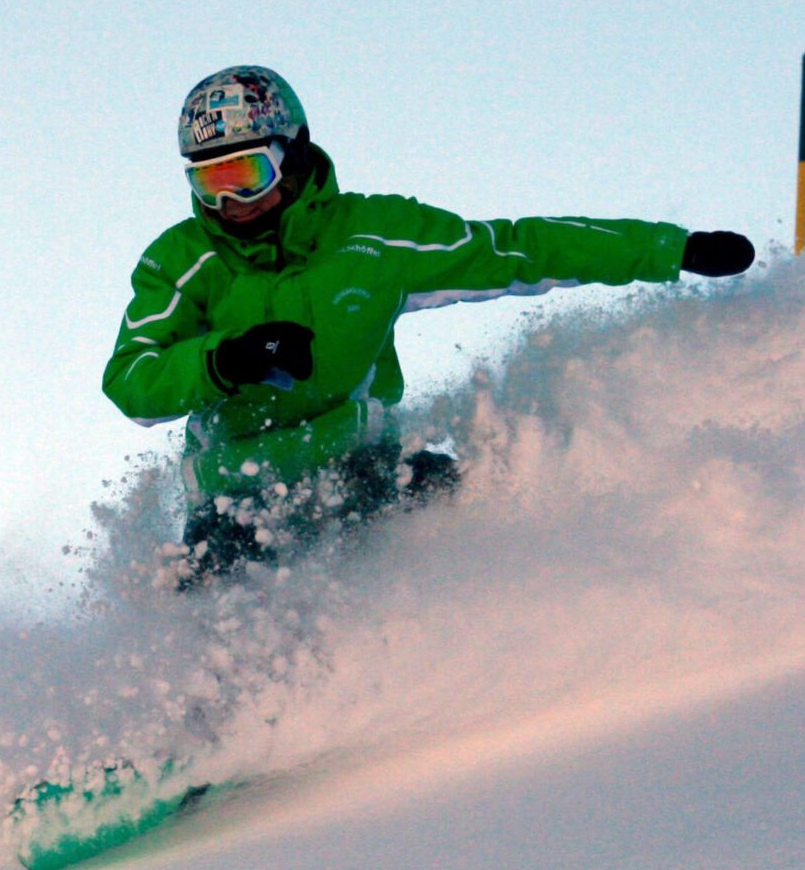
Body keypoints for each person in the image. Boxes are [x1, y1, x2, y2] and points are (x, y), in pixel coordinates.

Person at [104, 65, 753, 584]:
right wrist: (227, 359)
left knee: (461, 503)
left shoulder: (375, 238)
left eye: (247, 175)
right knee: (224, 581)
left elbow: (518, 248)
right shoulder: (183, 260)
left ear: (293, 155)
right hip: (237, 492)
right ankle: (192, 725)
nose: (229, 203)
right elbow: (131, 378)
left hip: (353, 463)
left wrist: (673, 249)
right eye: (209, 180)